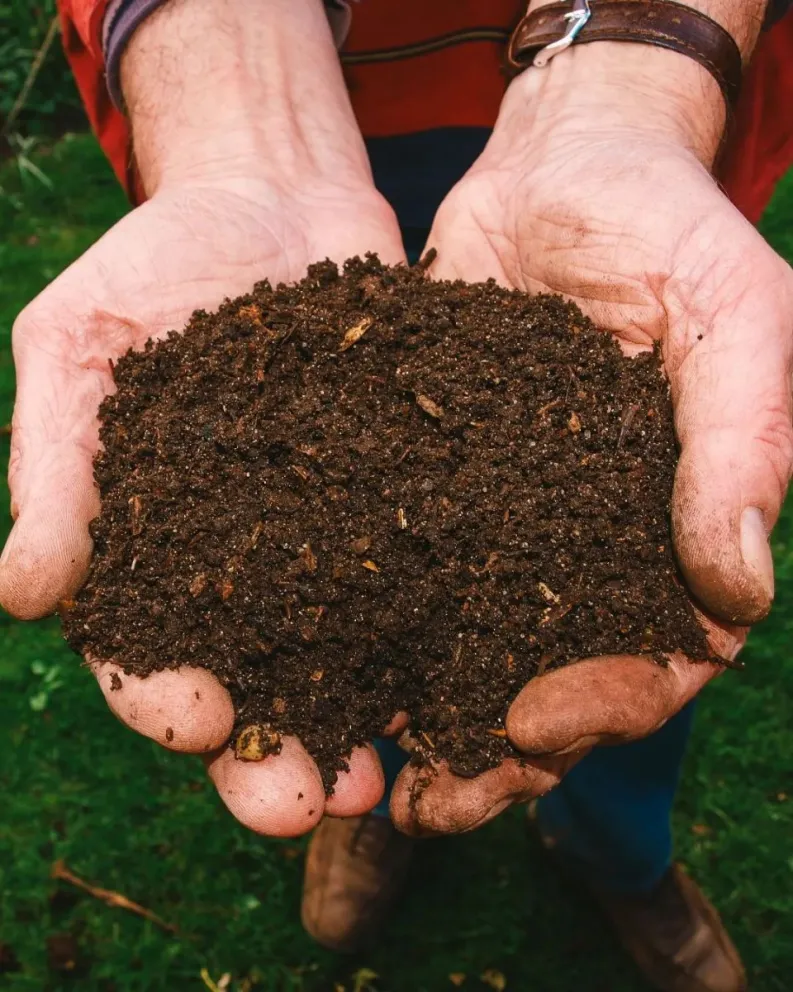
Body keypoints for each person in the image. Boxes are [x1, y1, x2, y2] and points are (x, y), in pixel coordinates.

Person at [3, 1, 793, 989]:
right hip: (312, 90)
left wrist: (639, 65)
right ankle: (367, 807)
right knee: (374, 695)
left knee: (642, 617)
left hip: (641, 109)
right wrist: (235, 82)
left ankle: (620, 852)